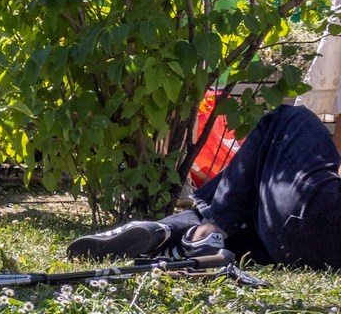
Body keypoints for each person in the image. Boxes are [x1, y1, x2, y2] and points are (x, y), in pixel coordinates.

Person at [68, 104, 341, 269]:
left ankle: (201, 229)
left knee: (289, 118)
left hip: (320, 226)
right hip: (304, 251)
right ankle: (180, 233)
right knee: (253, 204)